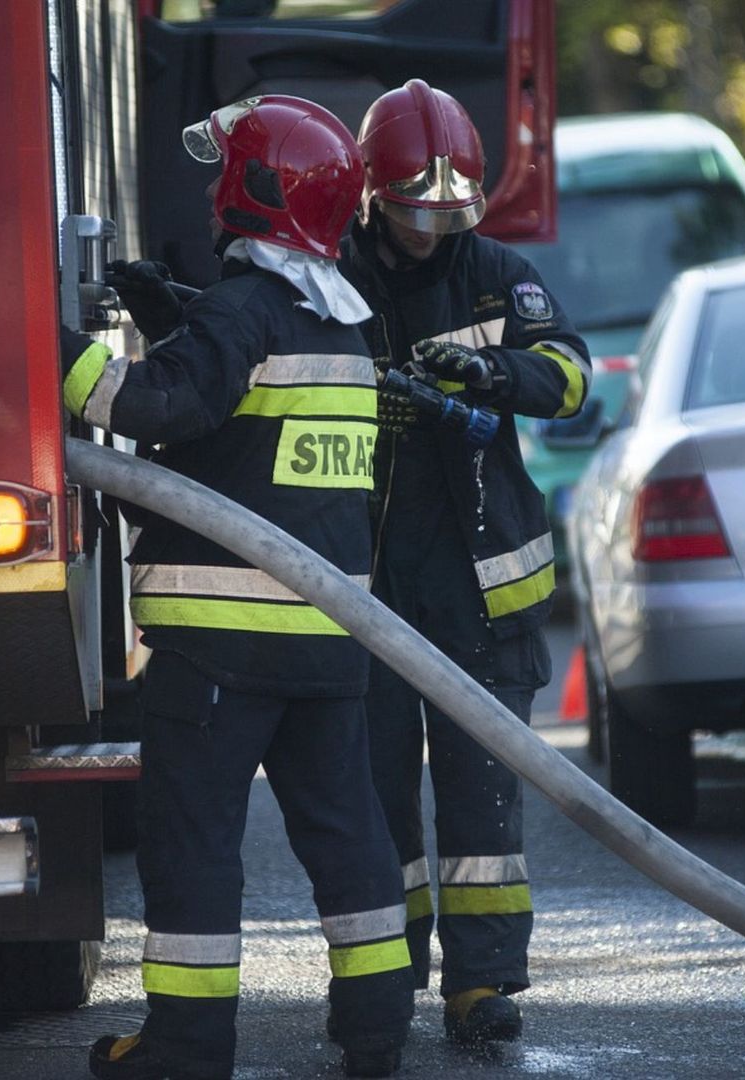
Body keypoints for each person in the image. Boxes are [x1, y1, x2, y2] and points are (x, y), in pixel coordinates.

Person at [61, 94, 414, 1080]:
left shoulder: (245, 310)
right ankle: (378, 1026)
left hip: (220, 650)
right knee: (349, 836)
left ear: (252, 191)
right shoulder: (340, 325)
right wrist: (179, 315)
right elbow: (258, 442)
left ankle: (181, 1047)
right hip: (327, 641)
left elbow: (157, 404)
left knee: (192, 844)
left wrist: (46, 352)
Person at [338, 79, 591, 1046]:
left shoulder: (495, 274)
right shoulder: (333, 280)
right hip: (364, 591)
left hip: (482, 593)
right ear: (372, 193)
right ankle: (381, 989)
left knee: (483, 806)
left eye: (446, 211)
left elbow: (567, 373)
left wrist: (498, 372)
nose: (428, 229)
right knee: (375, 804)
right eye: (412, 209)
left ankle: (480, 989)